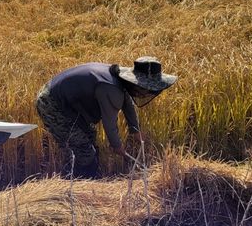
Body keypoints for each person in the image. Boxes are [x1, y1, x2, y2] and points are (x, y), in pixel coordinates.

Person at [36, 57, 177, 178]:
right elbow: (109, 123)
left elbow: (128, 105)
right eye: (147, 89)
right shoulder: (111, 88)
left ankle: (86, 178)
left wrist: (136, 130)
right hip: (51, 103)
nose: (146, 93)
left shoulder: (121, 81)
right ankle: (79, 188)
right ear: (138, 84)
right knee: (83, 150)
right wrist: (117, 147)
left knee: (90, 137)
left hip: (67, 103)